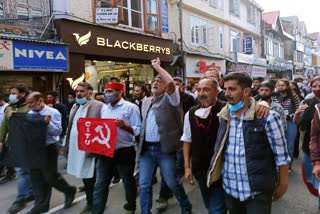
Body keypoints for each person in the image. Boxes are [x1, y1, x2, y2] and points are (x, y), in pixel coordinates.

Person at [207, 72, 290, 214]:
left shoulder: (268, 117)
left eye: (232, 89)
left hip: (257, 191)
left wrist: (283, 183)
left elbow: (281, 155)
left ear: (246, 91)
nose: (226, 93)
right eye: (225, 88)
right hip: (230, 189)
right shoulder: (224, 115)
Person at [138, 58, 192, 214]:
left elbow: (170, 84)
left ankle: (186, 206)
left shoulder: (171, 99)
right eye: (153, 80)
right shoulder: (146, 102)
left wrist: (157, 67)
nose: (156, 82)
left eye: (159, 81)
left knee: (171, 182)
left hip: (165, 150)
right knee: (144, 185)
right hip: (147, 150)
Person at [93, 82, 141, 214]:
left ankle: (131, 206)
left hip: (124, 152)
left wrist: (124, 126)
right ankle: (97, 210)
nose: (106, 94)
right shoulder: (104, 108)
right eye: (106, 91)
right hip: (106, 152)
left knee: (127, 180)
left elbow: (138, 130)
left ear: (120, 92)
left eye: (110, 91)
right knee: (100, 183)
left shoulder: (131, 108)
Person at [26, 92, 76, 214]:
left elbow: (57, 132)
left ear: (39, 100)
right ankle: (41, 205)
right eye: (27, 103)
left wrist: (47, 124)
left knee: (50, 177)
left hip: (49, 148)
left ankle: (69, 190)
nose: (29, 106)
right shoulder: (30, 114)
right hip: (34, 149)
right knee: (36, 177)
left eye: (31, 103)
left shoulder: (53, 113)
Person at [182, 77, 226, 213]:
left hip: (222, 169)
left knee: (215, 209)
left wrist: (263, 104)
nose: (201, 93)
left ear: (216, 91)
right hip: (200, 168)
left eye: (206, 90)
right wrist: (187, 167)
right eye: (199, 89)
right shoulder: (191, 112)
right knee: (210, 204)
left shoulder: (226, 109)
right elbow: (187, 140)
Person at [63, 82, 108, 214]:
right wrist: (65, 144)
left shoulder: (100, 106)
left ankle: (94, 203)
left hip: (92, 149)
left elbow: (105, 126)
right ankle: (91, 202)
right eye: (77, 91)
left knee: (91, 179)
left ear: (90, 93)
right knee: (84, 176)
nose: (78, 94)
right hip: (77, 148)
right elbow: (70, 127)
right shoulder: (75, 107)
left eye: (82, 91)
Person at [0, 84, 34, 214]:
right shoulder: (9, 107)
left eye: (14, 93)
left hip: (28, 145)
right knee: (26, 171)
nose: (11, 95)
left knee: (22, 172)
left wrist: (17, 116)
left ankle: (20, 200)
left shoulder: (30, 107)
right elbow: (4, 125)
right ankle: (31, 192)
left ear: (23, 93)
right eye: (10, 93)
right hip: (15, 144)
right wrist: (1, 140)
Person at [273, 79, 301, 170]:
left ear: (287, 86)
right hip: (277, 122)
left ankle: (288, 166)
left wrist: (291, 115)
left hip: (290, 122)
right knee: (277, 144)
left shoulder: (294, 96)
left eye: (282, 85)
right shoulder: (274, 96)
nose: (280, 87)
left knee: (289, 145)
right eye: (278, 85)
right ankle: (278, 165)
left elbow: (299, 109)